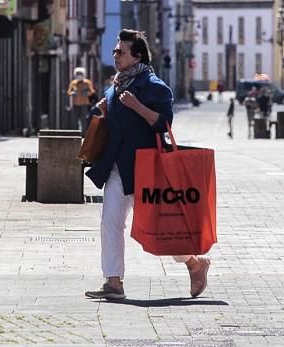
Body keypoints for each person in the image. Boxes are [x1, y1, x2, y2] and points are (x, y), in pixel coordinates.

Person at [84, 29, 211, 301]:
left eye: (121, 52)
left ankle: (195, 263)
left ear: (137, 56)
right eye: (115, 51)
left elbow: (164, 124)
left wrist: (137, 106)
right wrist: (107, 113)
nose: (115, 55)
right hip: (118, 166)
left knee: (158, 227)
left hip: (147, 167)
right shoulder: (115, 85)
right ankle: (113, 281)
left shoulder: (155, 87)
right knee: (110, 222)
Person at [66, 67, 95, 131]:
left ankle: (84, 133)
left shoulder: (87, 82)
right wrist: (72, 93)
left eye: (80, 74)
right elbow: (68, 92)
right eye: (77, 74)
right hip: (75, 104)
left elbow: (92, 91)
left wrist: (87, 93)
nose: (79, 75)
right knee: (74, 119)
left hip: (84, 104)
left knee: (83, 119)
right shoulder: (73, 83)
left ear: (83, 74)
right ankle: (75, 132)